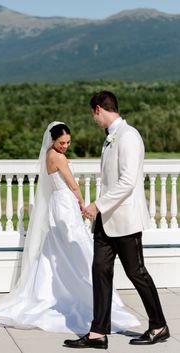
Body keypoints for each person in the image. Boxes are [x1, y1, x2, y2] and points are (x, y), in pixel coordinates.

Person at [0, 121, 140, 335]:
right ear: (53, 140)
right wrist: (82, 203)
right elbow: (73, 184)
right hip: (65, 204)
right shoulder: (58, 157)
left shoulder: (48, 155)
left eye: (68, 142)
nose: (65, 146)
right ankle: (83, 290)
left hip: (58, 202)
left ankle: (68, 286)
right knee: (76, 245)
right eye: (62, 142)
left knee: (60, 247)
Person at [64, 91, 169, 350]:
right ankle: (97, 333)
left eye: (93, 113)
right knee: (99, 271)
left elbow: (127, 182)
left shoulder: (128, 136)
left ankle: (159, 326)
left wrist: (96, 205)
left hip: (125, 220)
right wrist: (99, 212)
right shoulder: (110, 139)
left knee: (136, 273)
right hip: (105, 222)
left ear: (99, 109)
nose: (93, 119)